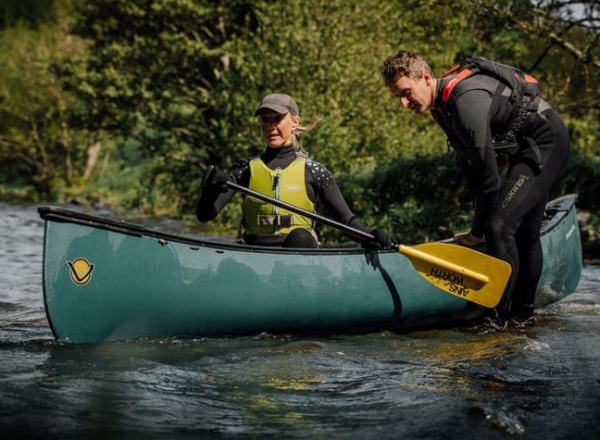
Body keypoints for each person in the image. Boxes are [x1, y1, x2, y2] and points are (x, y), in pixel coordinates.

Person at [381, 51, 570, 330]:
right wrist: (477, 227)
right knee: (523, 232)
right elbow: (473, 170)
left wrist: (477, 232)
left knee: (498, 228)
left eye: (406, 93)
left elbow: (489, 180)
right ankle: (522, 315)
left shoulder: (465, 102)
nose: (403, 103)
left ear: (424, 78)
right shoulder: (441, 107)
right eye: (397, 96)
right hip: (526, 149)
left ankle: (499, 317)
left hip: (546, 143)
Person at [196, 93, 393, 249]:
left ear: (295, 122)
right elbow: (205, 215)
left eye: (277, 119)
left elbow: (346, 219)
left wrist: (370, 237)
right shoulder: (243, 169)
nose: (270, 126)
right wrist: (210, 190)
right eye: (265, 120)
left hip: (299, 253)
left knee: (300, 236)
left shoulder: (315, 171)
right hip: (255, 252)